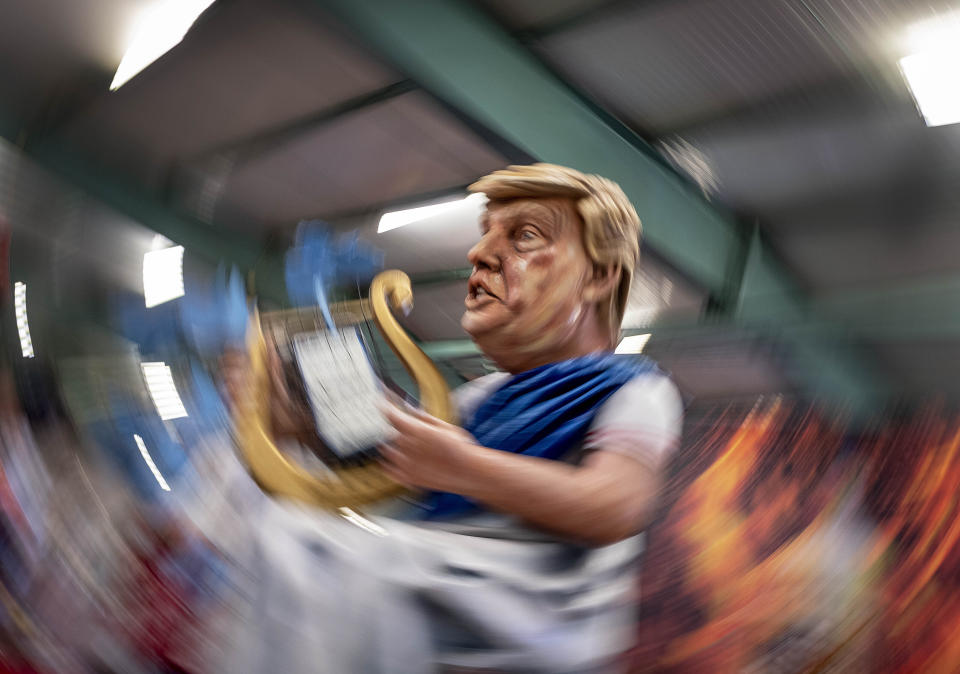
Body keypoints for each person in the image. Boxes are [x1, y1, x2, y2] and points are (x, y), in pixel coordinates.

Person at [221, 164, 683, 674]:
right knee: (289, 537)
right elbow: (388, 453)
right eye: (486, 233)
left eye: (524, 236)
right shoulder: (480, 398)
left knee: (337, 562)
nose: (479, 253)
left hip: (528, 627)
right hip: (437, 597)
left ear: (597, 276)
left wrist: (462, 467)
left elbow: (614, 505)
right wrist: (295, 414)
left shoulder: (636, 390)